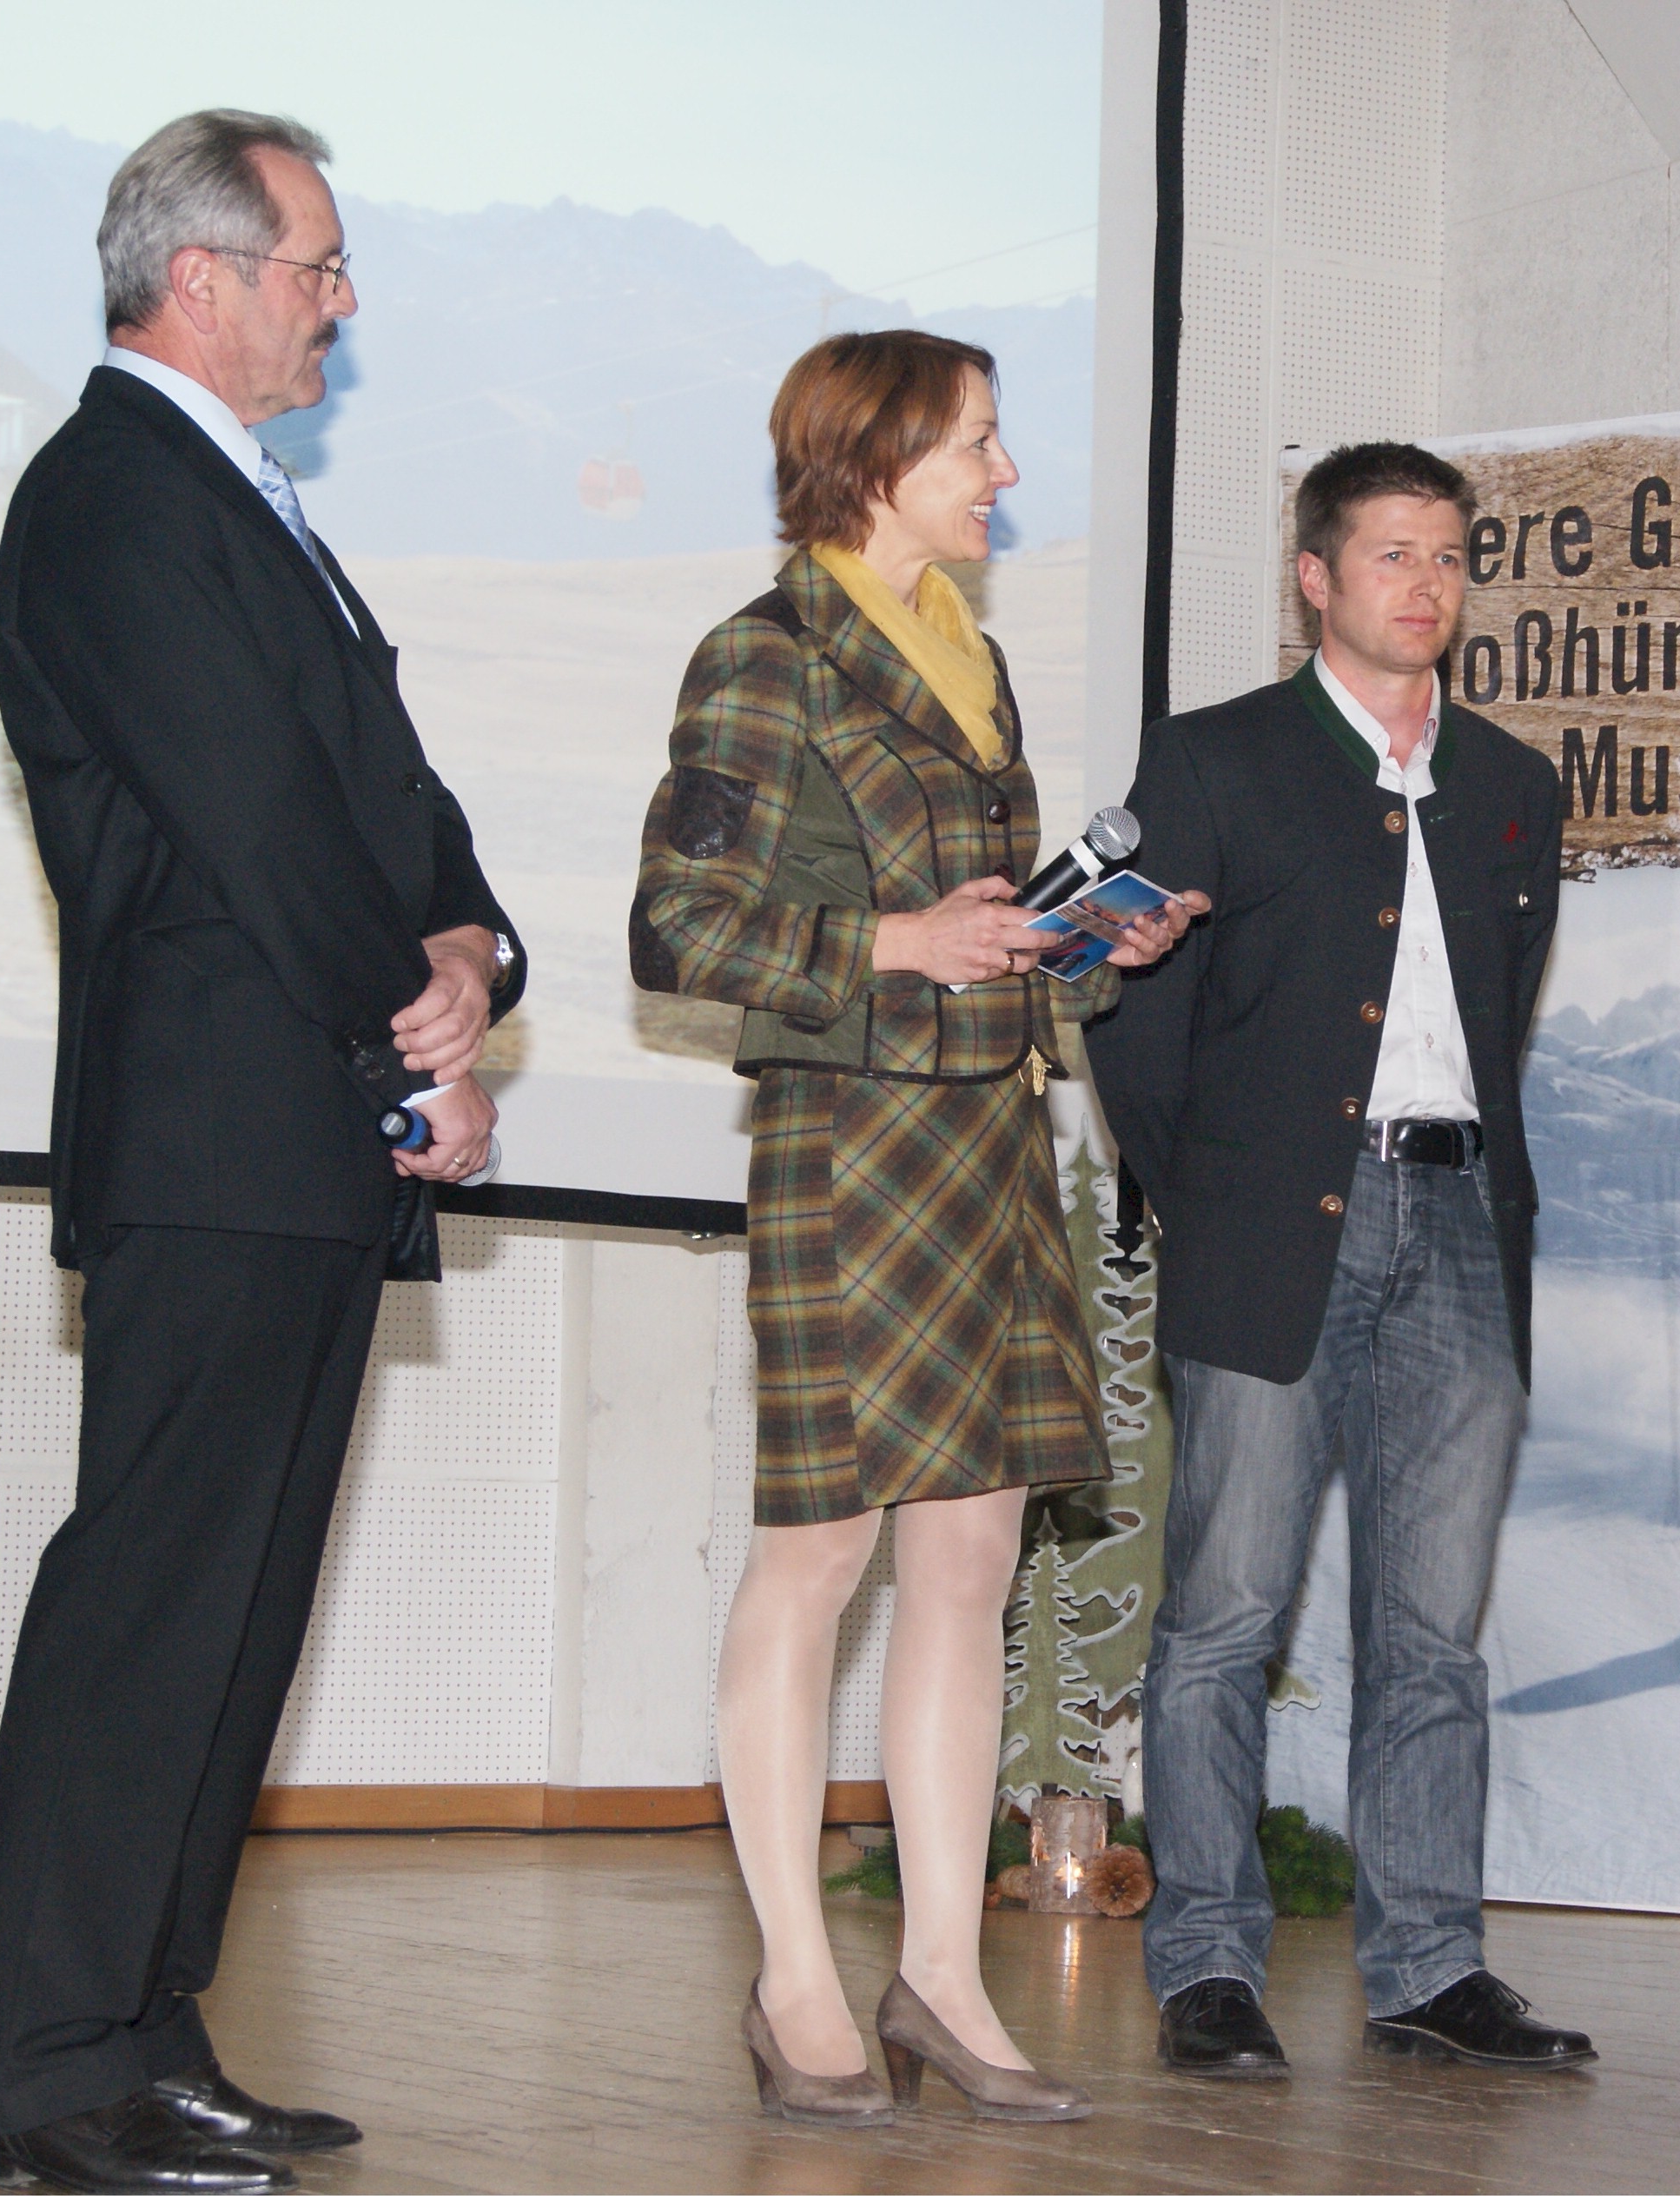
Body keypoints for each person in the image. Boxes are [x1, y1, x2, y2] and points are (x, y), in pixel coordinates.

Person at [0, 112, 524, 2192]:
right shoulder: (112, 493)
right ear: (200, 277)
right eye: (319, 265)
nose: (340, 303)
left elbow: (387, 788)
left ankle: (146, 2030)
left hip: (299, 1139)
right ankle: (42, 2072)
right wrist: (413, 1023)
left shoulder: (245, 503)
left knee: (237, 1616)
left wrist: (473, 946)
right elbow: (252, 818)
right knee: (152, 1606)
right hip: (214, 1134)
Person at [631, 329, 1197, 2128]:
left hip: (989, 1147)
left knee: (970, 1562)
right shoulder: (764, 656)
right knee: (817, 1557)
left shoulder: (972, 658)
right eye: (975, 442)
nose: (1005, 473)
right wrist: (897, 942)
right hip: (849, 1152)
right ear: (874, 459)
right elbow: (676, 929)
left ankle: (941, 1973)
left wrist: (1083, 948)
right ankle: (795, 1978)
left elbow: (980, 933)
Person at [1085, 441, 1591, 2080]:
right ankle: (1206, 1960)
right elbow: (1134, 1018)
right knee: (1224, 1613)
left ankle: (1431, 1965)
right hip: (1269, 1225)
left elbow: (1500, 1011)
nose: (1424, 583)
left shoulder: (1513, 780)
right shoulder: (1214, 756)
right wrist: (1209, 1196)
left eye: (1447, 555)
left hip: (1461, 1221)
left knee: (1432, 1627)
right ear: (1314, 576)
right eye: (1390, 553)